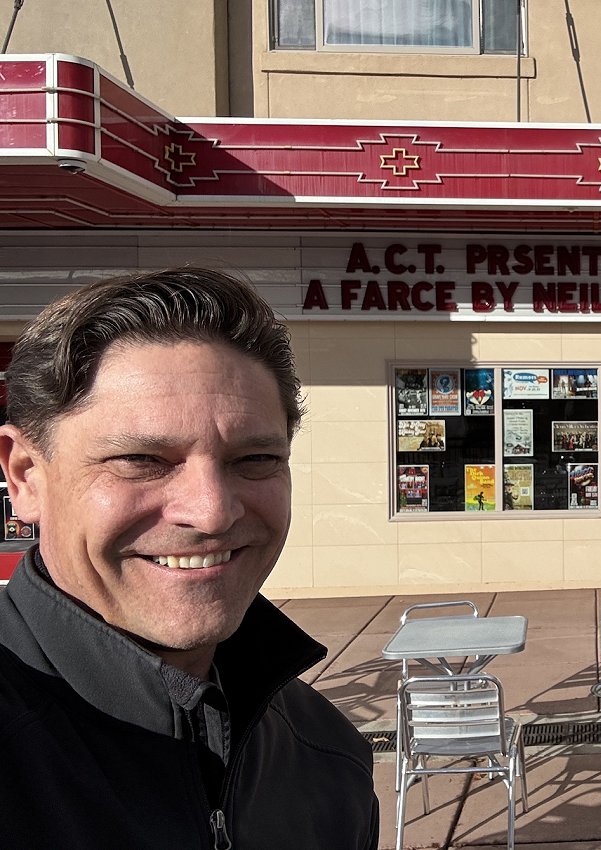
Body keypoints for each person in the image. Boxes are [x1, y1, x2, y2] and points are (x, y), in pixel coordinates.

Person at [0, 268, 380, 848]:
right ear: (26, 476)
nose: (211, 512)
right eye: (141, 460)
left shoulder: (325, 755)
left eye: (254, 459)